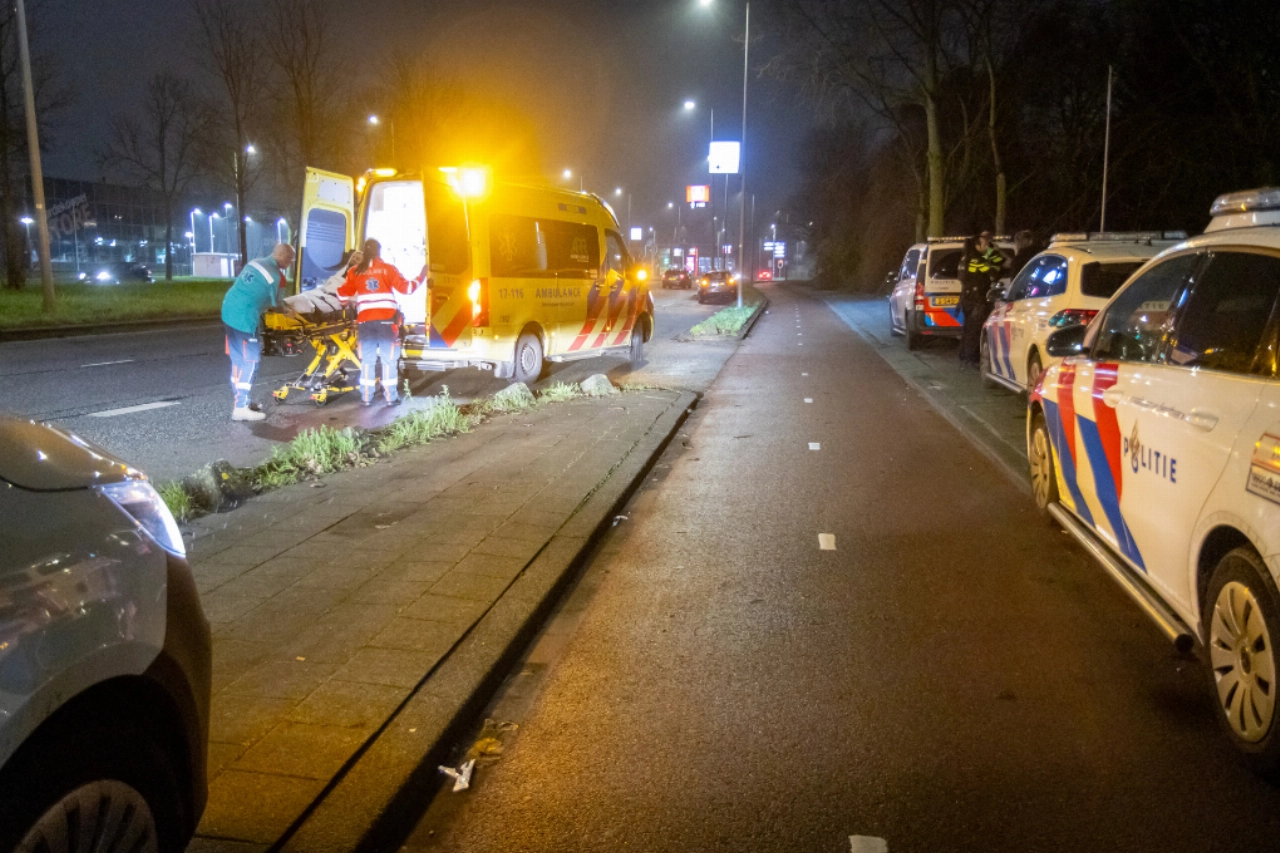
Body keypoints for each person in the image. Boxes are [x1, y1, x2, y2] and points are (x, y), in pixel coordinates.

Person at [336, 239, 423, 406]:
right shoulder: (388, 269)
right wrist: (421, 276)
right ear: (378, 252)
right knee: (388, 360)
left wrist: (345, 303)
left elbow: (342, 296)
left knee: (367, 360)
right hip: (386, 323)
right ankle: (390, 398)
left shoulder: (355, 271)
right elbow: (408, 288)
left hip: (365, 323)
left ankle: (366, 397)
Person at [221, 243, 296, 421]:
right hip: (244, 319)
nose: (290, 264)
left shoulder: (255, 262)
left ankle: (241, 401)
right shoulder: (277, 277)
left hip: (228, 311)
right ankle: (240, 408)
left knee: (238, 360)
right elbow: (277, 305)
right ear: (285, 259)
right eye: (291, 260)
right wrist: (290, 312)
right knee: (251, 361)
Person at [958, 231, 1007, 368]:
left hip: (968, 298)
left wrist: (991, 253)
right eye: (985, 242)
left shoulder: (968, 257)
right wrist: (993, 252)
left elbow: (999, 262)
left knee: (968, 329)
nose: (988, 244)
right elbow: (993, 274)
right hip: (976, 300)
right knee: (975, 330)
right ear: (977, 243)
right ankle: (971, 359)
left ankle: (964, 356)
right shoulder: (977, 260)